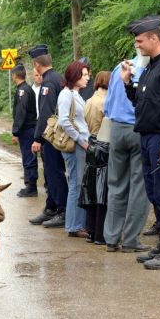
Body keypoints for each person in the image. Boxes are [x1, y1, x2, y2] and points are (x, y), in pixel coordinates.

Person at [121, 15, 160, 269]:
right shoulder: (149, 67)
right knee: (154, 191)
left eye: (139, 41)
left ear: (154, 38)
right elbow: (142, 102)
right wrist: (128, 83)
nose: (137, 45)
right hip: (147, 137)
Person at [102, 50, 150, 254]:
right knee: (139, 186)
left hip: (116, 130)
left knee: (116, 185)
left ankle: (111, 238)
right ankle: (130, 239)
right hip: (138, 130)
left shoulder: (118, 68)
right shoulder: (148, 70)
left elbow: (107, 104)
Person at [29, 44, 68, 228]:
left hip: (51, 135)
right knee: (50, 173)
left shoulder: (48, 83)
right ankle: (51, 207)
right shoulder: (56, 78)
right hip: (54, 134)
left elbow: (46, 113)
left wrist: (37, 138)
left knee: (54, 173)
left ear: (37, 64)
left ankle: (62, 210)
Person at [57, 61, 91, 238]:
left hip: (81, 144)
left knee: (78, 183)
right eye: (84, 75)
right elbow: (64, 121)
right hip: (76, 145)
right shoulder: (66, 95)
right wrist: (80, 140)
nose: (87, 78)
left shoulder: (76, 94)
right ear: (75, 75)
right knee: (76, 184)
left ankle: (77, 224)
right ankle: (74, 225)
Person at [80, 70, 111, 245]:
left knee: (91, 189)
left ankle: (91, 231)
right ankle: (101, 233)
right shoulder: (107, 102)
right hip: (103, 146)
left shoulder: (89, 100)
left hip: (91, 144)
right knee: (102, 191)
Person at [11, 63, 38, 197]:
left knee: (29, 158)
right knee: (27, 157)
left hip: (27, 129)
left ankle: (32, 187)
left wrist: (15, 132)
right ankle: (29, 184)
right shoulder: (26, 88)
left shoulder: (23, 91)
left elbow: (20, 113)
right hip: (28, 128)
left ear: (15, 75)